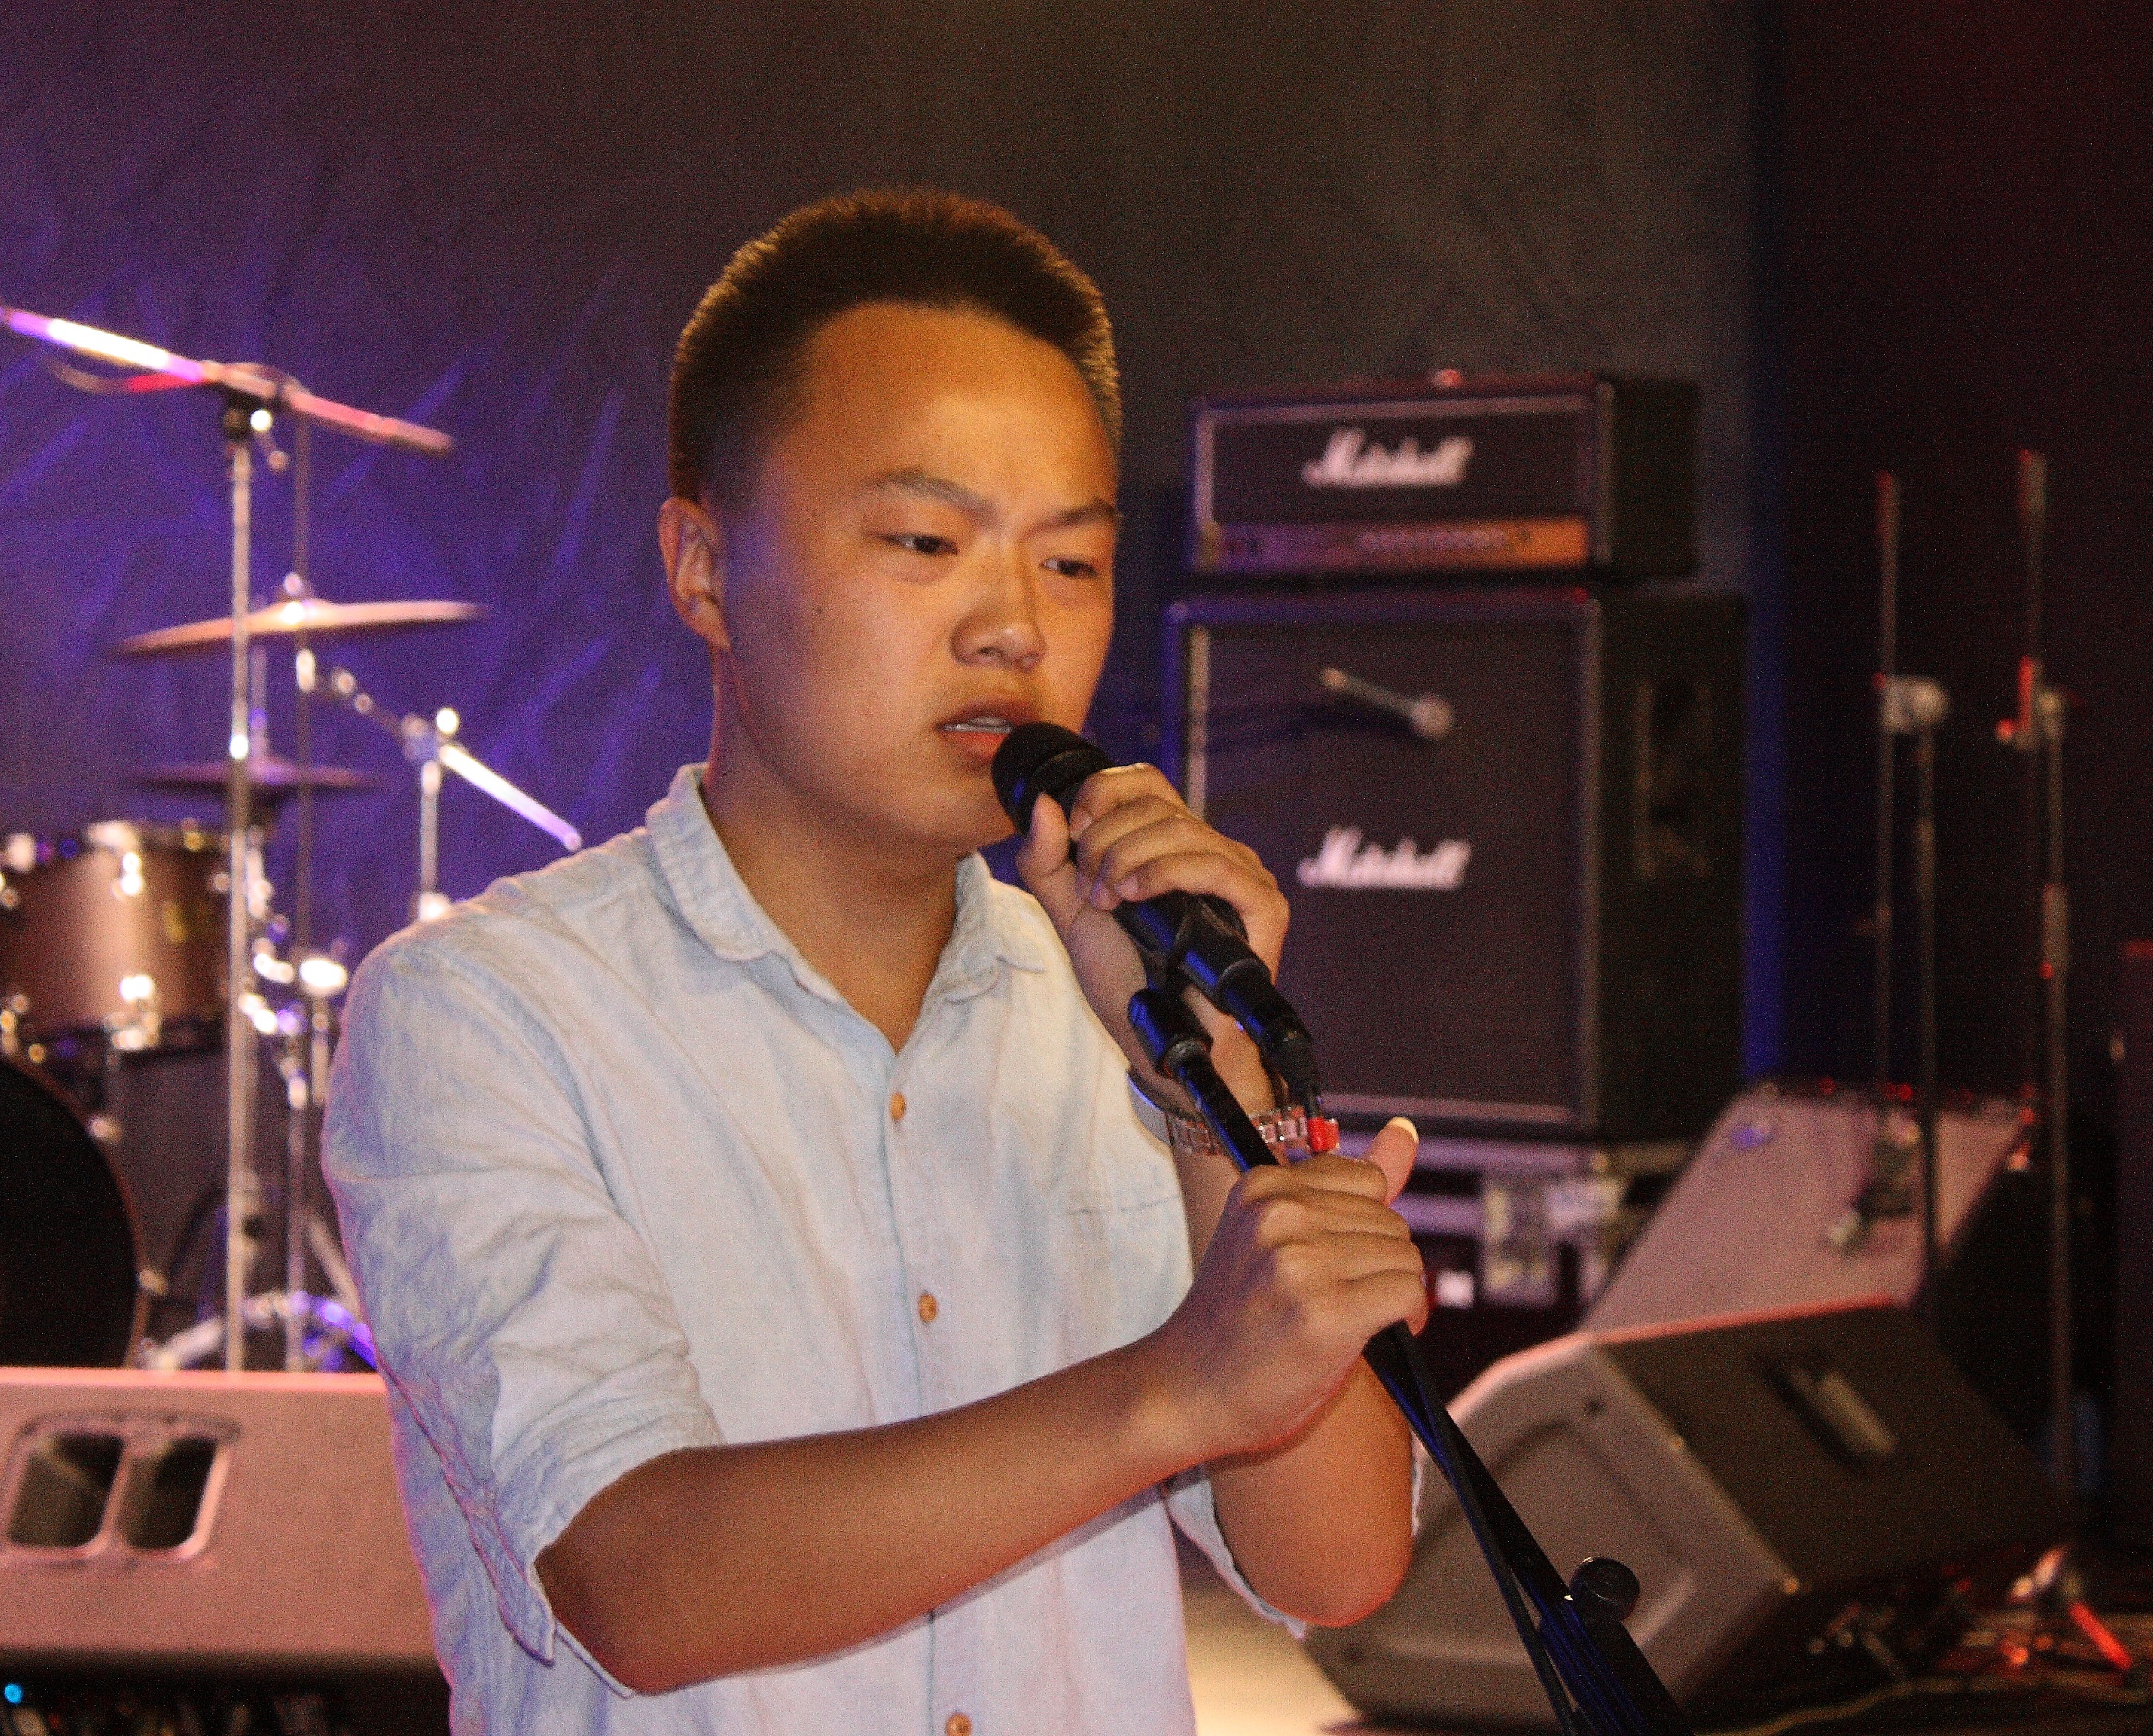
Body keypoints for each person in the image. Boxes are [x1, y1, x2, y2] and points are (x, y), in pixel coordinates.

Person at [324, 187, 1428, 1734]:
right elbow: (640, 1582)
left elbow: (1338, 1568)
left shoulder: (1117, 1007)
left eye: (1071, 564)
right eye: (924, 542)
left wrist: (1217, 1094)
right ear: (702, 569)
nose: (1012, 630)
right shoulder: (490, 1012)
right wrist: (1177, 1384)